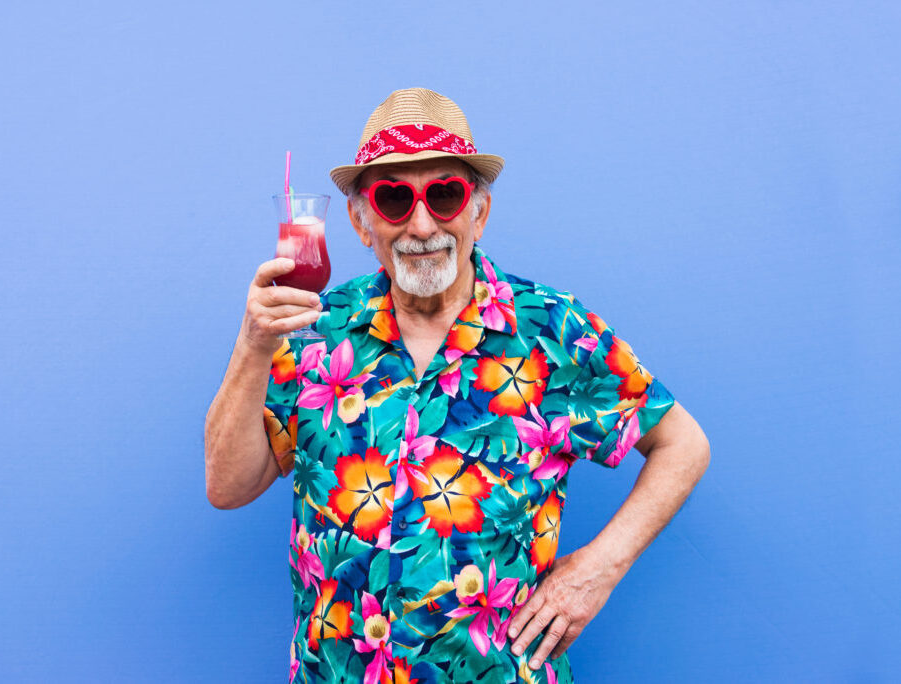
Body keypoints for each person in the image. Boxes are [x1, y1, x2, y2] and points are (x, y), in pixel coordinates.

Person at [205, 87, 710, 683]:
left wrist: (597, 569)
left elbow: (684, 444)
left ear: (479, 211)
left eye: (445, 194)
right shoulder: (311, 333)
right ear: (361, 222)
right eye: (394, 199)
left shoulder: (552, 331)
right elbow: (229, 486)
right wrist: (251, 347)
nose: (422, 224)